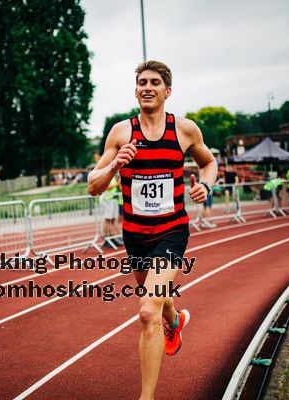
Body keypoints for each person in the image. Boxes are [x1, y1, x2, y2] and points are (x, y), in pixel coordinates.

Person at [87, 60, 217, 400]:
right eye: (142, 82)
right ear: (136, 91)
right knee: (159, 302)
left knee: (147, 312)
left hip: (172, 231)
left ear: (167, 91)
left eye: (155, 82)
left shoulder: (185, 130)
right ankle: (174, 320)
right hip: (135, 235)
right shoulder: (121, 132)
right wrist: (115, 166)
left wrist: (206, 186)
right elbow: (92, 185)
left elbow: (209, 162)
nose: (147, 86)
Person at [101, 175, 121, 248]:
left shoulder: (113, 176)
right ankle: (107, 238)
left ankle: (111, 238)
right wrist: (117, 184)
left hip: (113, 199)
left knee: (112, 219)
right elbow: (106, 187)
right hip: (107, 199)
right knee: (107, 220)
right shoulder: (107, 176)